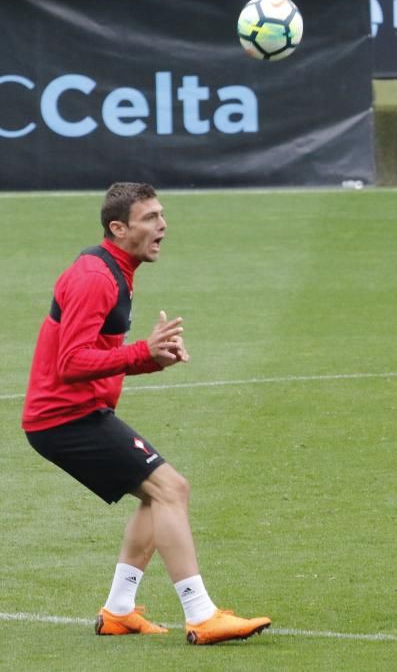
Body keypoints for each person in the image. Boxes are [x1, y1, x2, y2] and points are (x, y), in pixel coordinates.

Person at [22, 183, 271, 645]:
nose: (163, 226)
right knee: (170, 488)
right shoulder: (94, 277)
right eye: (150, 218)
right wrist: (140, 350)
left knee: (158, 495)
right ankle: (201, 615)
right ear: (118, 228)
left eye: (162, 215)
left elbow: (96, 356)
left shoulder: (117, 269)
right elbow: (70, 363)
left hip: (78, 412)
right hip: (63, 419)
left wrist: (150, 359)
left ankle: (119, 611)